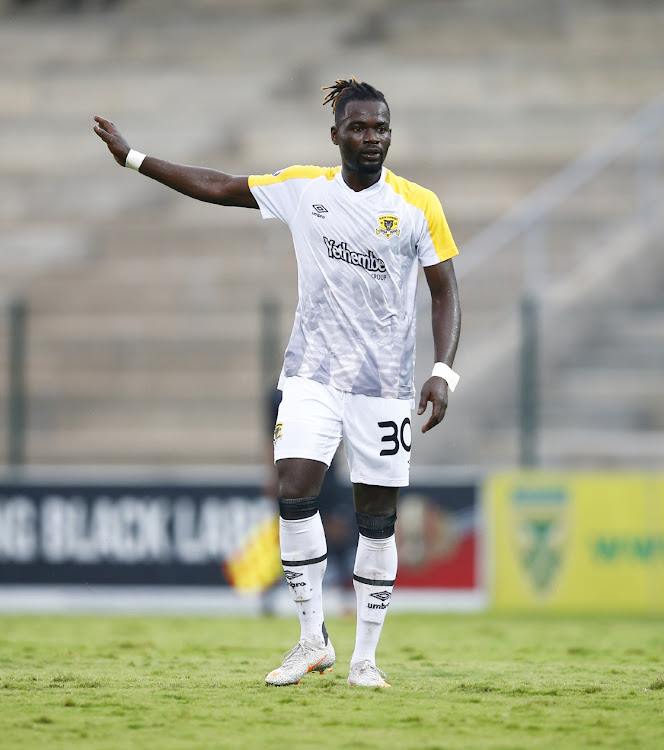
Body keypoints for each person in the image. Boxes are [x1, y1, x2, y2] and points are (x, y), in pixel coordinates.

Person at [93, 77, 461, 688]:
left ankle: (366, 658)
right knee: (295, 488)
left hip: (384, 386)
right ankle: (312, 639)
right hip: (312, 375)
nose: (372, 138)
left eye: (382, 128)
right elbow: (219, 186)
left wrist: (443, 371)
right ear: (336, 134)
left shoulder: (419, 205)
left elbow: (445, 291)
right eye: (361, 127)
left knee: (376, 518)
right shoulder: (303, 190)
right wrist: (135, 158)